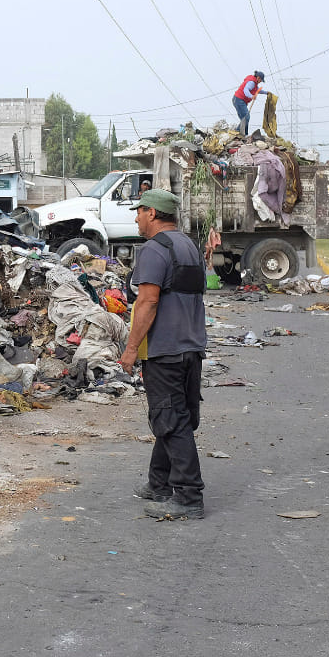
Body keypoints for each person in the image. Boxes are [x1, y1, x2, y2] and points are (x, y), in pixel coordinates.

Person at [118, 189, 208, 520]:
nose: (136, 217)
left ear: (153, 213)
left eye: (139, 211)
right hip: (191, 346)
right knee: (175, 415)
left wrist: (130, 349)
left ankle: (188, 495)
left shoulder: (154, 250)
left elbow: (148, 302)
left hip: (164, 349)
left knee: (170, 420)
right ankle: (160, 483)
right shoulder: (189, 246)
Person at [233, 70, 268, 135]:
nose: (260, 82)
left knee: (244, 118)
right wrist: (251, 96)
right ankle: (239, 132)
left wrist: (266, 93)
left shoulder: (254, 84)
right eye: (261, 80)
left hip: (240, 100)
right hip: (239, 100)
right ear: (258, 78)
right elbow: (245, 90)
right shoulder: (252, 82)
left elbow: (257, 90)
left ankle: (242, 133)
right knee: (246, 117)